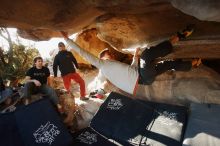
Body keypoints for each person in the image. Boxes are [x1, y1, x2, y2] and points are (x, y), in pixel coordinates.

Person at [60, 26, 201, 96]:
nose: (111, 54)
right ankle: (178, 37)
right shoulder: (101, 66)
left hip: (142, 78)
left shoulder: (115, 66)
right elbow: (83, 53)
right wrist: (67, 39)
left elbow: (132, 70)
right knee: (147, 55)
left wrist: (135, 56)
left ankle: (193, 64)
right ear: (102, 58)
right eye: (108, 53)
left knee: (167, 64)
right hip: (142, 78)